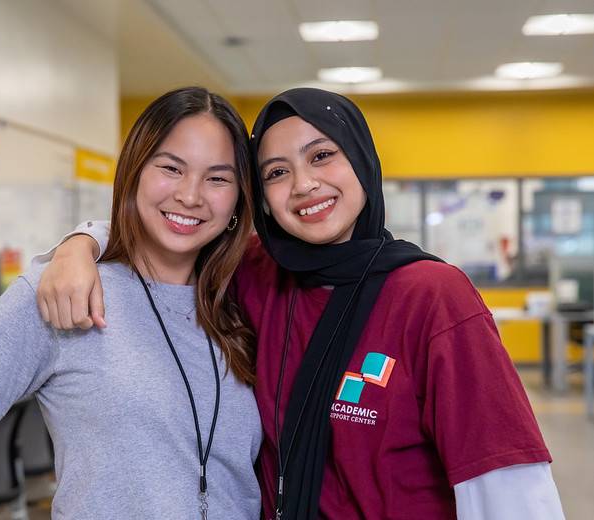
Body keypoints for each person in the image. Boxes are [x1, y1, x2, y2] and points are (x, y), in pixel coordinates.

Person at [35, 88, 564, 519]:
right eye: (276, 172)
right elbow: (167, 231)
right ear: (258, 196)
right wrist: (80, 245)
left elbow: (505, 481)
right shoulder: (255, 276)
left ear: (360, 158)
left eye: (322, 156)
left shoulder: (431, 295)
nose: (304, 184)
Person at [0, 87, 263, 519]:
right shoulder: (67, 289)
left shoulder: (242, 298)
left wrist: (85, 239)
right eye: (171, 168)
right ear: (134, 172)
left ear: (238, 200)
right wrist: (81, 244)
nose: (191, 195)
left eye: (218, 178)